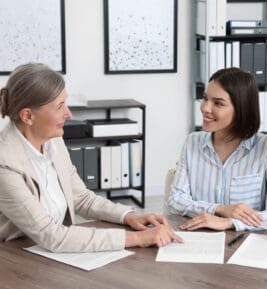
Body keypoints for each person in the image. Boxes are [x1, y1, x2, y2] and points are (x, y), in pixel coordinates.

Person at [0, 63, 182, 252]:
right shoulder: (4, 163)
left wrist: (128, 216)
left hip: (48, 253)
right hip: (16, 260)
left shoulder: (53, 141)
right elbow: (51, 235)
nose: (68, 113)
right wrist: (138, 238)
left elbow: (82, 198)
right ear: (28, 116)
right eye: (59, 106)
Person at [167, 67, 267, 231]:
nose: (205, 108)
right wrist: (219, 209)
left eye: (218, 103)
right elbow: (175, 201)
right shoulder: (192, 142)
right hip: (199, 239)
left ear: (241, 109)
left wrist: (232, 222)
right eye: (205, 98)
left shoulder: (266, 147)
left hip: (242, 241)